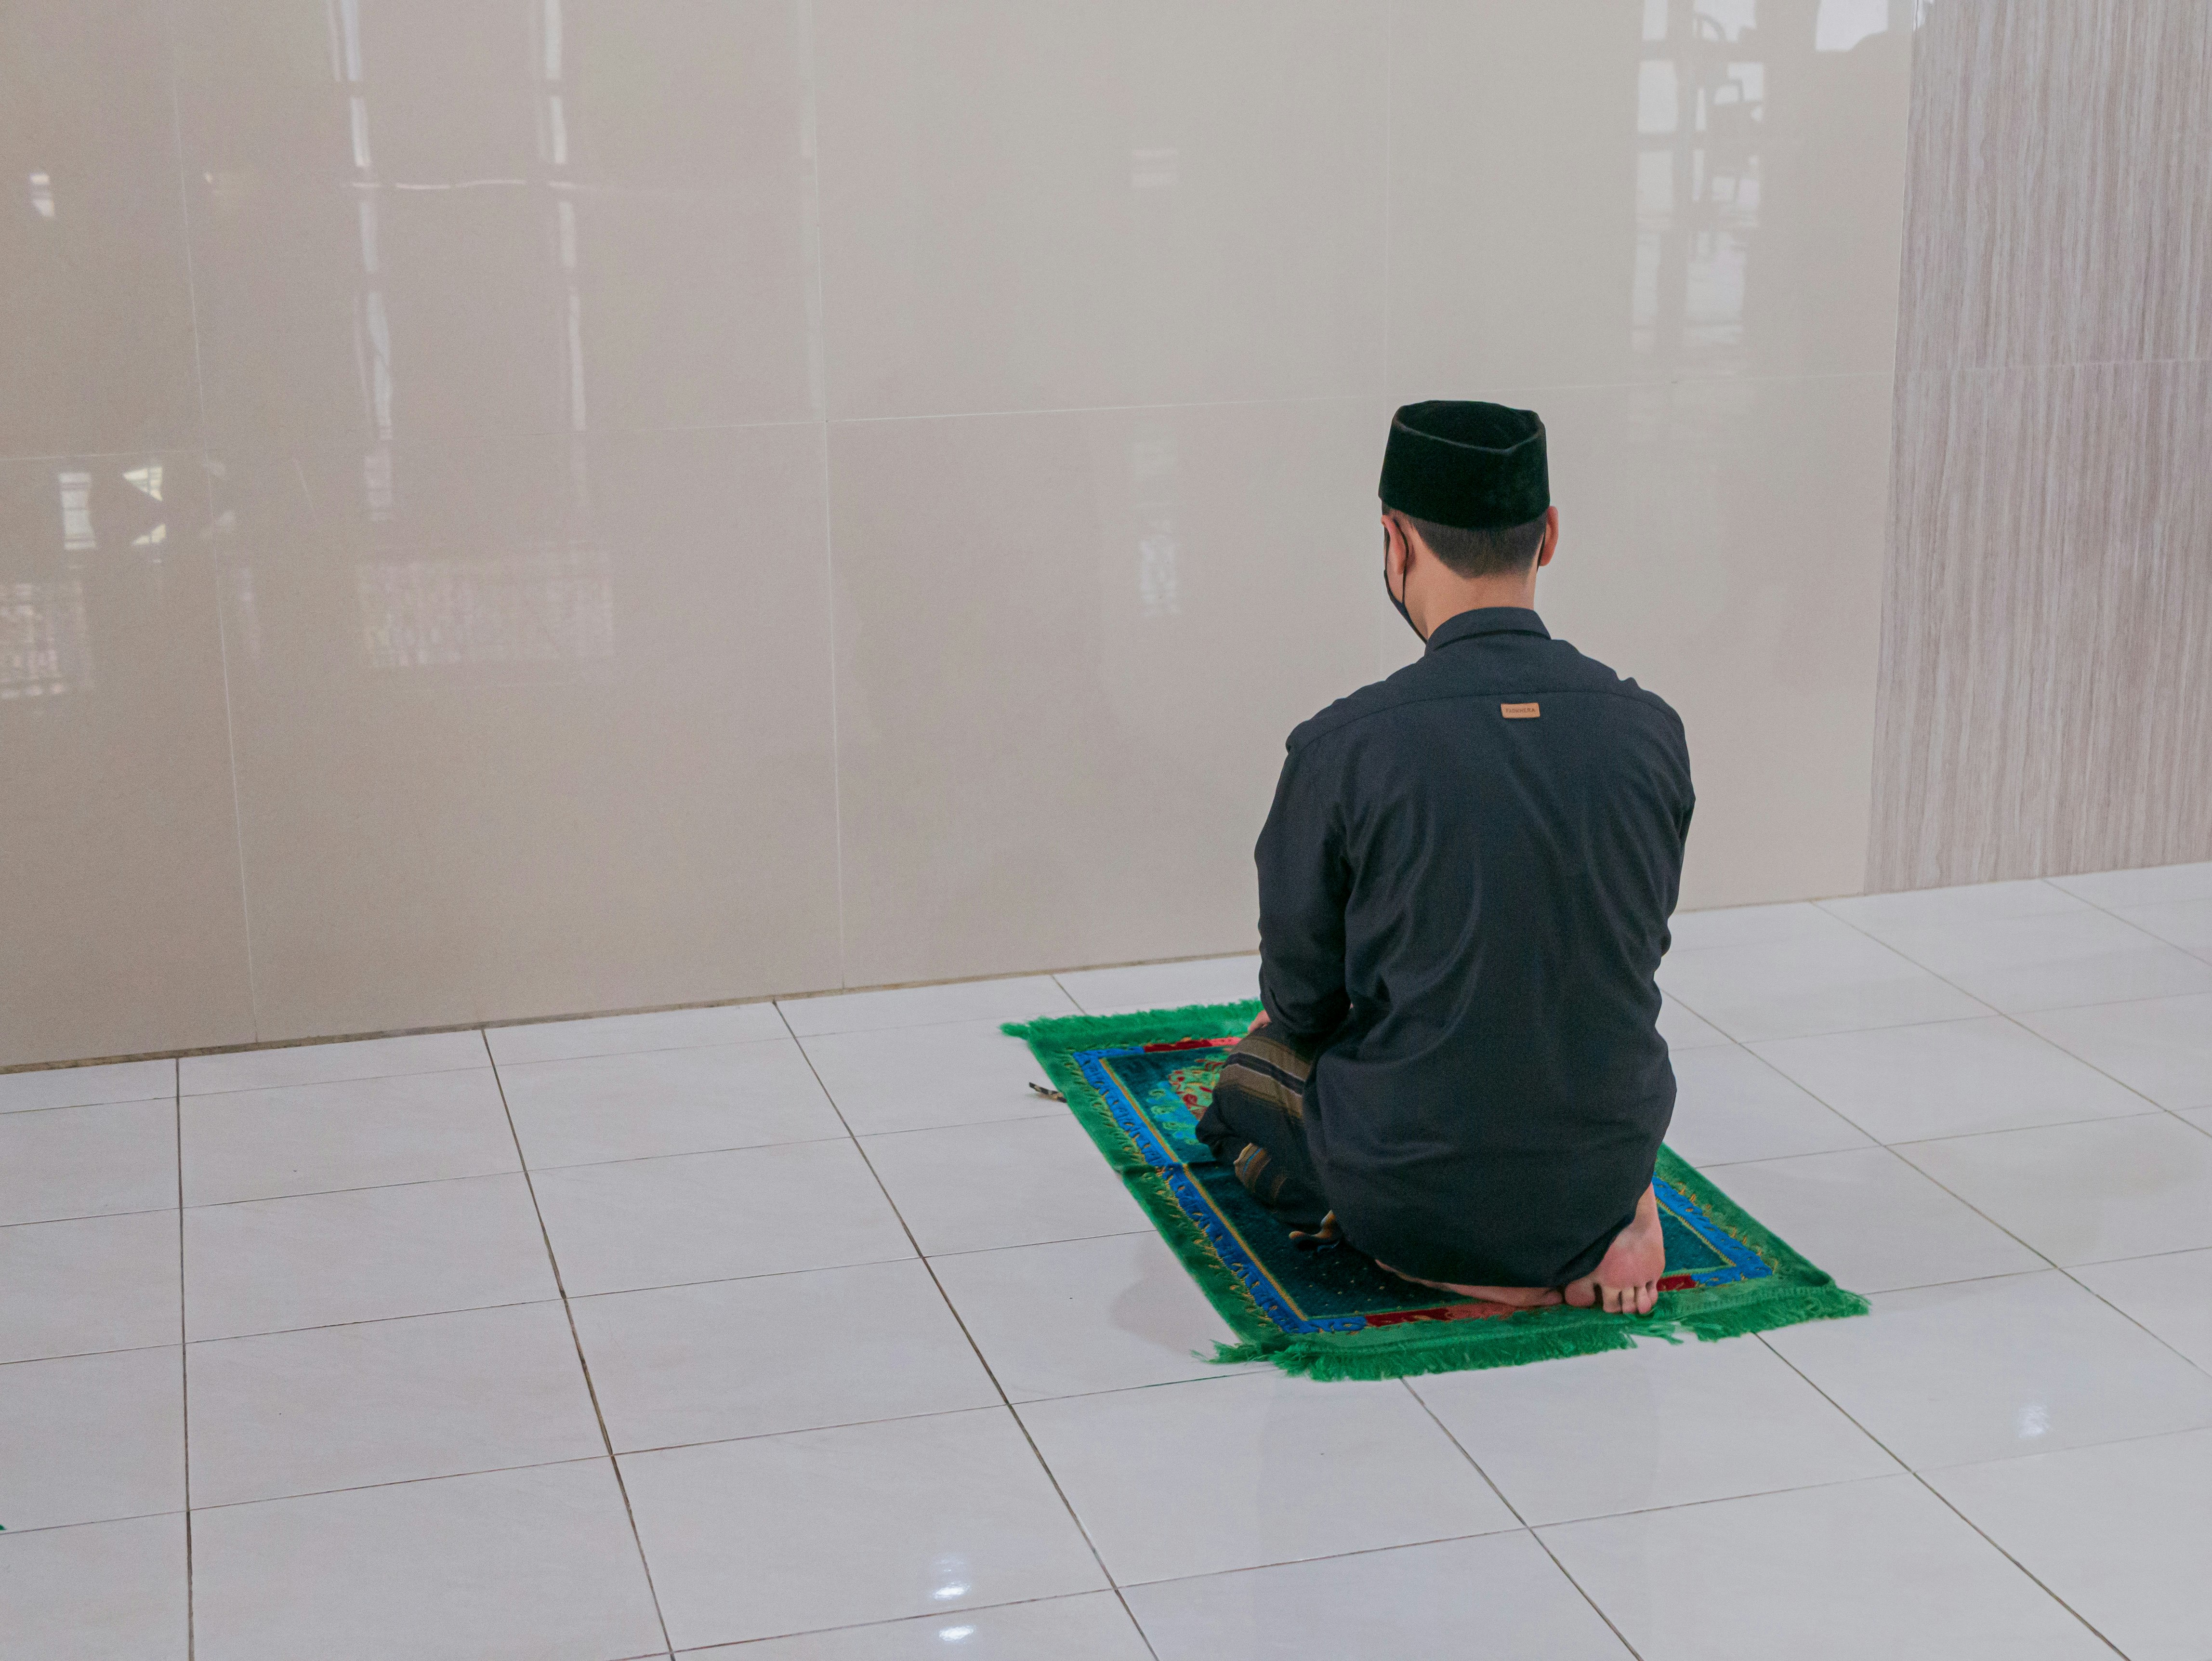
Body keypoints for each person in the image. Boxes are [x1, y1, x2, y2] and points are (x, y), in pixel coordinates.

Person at [1195, 401, 1694, 1315]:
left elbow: (1300, 998)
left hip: (1410, 1200)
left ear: (1395, 540)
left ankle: (1457, 1263)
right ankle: (1617, 1209)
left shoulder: (1345, 747)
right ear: (1548, 537)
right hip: (1602, 1164)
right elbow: (1623, 953)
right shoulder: (1650, 733)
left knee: (1243, 1092)